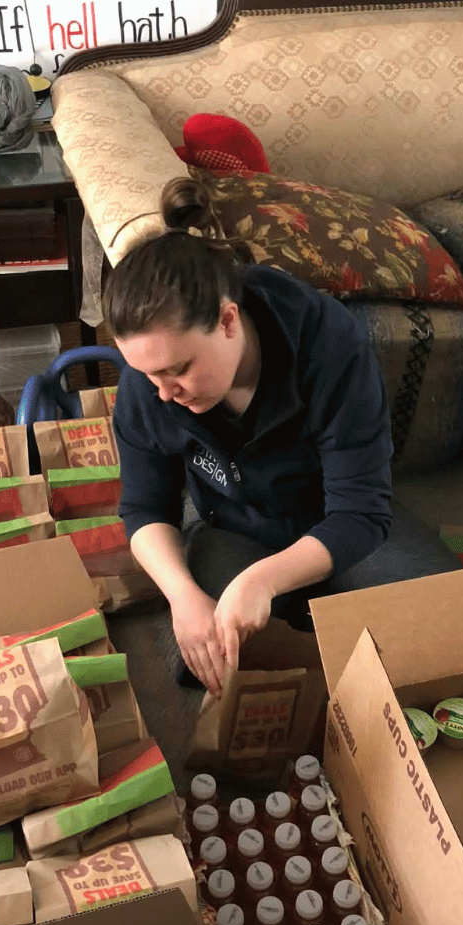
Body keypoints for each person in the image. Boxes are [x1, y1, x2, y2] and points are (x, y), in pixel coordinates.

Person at [108, 177, 393, 695]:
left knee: (425, 636)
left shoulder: (330, 347)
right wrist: (182, 596)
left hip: (328, 518)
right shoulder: (148, 386)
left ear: (229, 320)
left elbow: (362, 513)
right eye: (149, 375)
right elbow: (145, 509)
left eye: (179, 370)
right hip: (233, 526)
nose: (164, 393)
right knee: (221, 661)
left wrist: (264, 580)